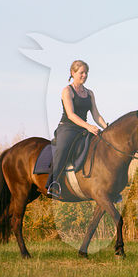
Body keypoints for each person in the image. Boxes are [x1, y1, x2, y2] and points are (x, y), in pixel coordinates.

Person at [46, 60, 108, 198]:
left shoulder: (90, 93)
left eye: (86, 73)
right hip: (67, 128)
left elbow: (96, 115)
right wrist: (89, 126)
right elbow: (71, 115)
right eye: (81, 72)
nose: (84, 75)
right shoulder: (67, 90)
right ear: (73, 73)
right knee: (63, 149)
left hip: (83, 129)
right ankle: (53, 182)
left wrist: (107, 128)